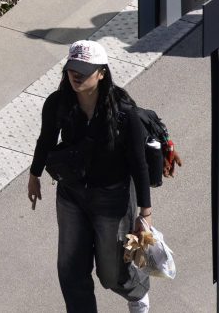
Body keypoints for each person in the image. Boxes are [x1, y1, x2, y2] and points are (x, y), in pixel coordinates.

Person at [27, 40, 152, 313]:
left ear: (102, 73)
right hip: (71, 194)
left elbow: (139, 164)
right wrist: (34, 174)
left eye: (85, 69)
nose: (76, 74)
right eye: (73, 67)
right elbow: (45, 140)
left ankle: (137, 293)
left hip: (112, 198)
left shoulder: (124, 113)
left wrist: (145, 212)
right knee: (70, 266)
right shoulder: (58, 104)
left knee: (111, 272)